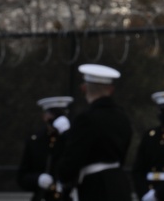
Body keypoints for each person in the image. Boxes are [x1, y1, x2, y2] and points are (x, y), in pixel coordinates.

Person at [53, 63, 133, 201]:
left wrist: (62, 175)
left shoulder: (85, 118)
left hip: (95, 188)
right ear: (111, 90)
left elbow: (73, 157)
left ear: (84, 88)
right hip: (120, 185)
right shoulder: (123, 117)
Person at [16, 96, 74, 201]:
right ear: (45, 117)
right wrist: (37, 179)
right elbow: (22, 177)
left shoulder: (70, 139)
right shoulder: (35, 141)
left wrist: (67, 135)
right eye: (53, 115)